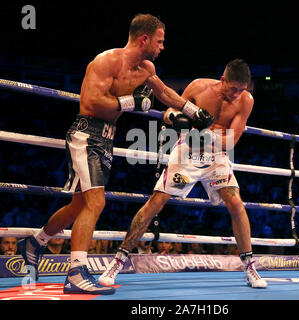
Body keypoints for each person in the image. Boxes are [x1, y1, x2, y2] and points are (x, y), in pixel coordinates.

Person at [17, 13, 212, 295]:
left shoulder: (145, 68)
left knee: (78, 205)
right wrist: (131, 101)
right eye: (159, 41)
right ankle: (75, 274)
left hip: (106, 139)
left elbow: (165, 94)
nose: (162, 47)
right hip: (86, 134)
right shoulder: (106, 61)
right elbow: (90, 101)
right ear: (144, 38)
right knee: (95, 203)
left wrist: (194, 112)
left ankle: (34, 244)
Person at [99, 59, 267, 288]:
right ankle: (118, 262)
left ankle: (249, 267)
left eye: (241, 89)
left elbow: (230, 142)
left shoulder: (246, 100)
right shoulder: (199, 87)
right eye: (233, 88)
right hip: (187, 150)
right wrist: (173, 119)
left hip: (216, 156)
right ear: (223, 80)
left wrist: (199, 131)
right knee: (156, 202)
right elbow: (170, 110)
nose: (237, 94)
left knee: (237, 204)